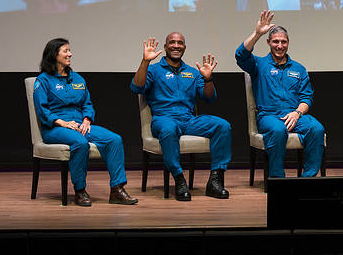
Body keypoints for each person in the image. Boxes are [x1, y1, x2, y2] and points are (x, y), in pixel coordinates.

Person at [33, 38, 138, 207]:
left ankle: (117, 189)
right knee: (80, 143)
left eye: (69, 50)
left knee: (114, 139)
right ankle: (80, 190)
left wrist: (87, 119)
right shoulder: (43, 80)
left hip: (79, 125)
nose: (70, 54)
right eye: (65, 51)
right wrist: (62, 122)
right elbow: (42, 110)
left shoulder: (78, 79)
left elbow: (87, 104)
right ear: (54, 54)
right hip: (55, 127)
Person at [131, 32, 232, 201]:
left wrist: (208, 79)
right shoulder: (154, 70)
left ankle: (215, 181)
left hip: (188, 120)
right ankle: (179, 179)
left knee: (222, 125)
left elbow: (209, 97)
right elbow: (136, 88)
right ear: (165, 47)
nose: (176, 45)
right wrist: (146, 61)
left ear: (184, 47)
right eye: (172, 42)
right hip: (164, 119)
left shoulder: (192, 72)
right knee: (169, 129)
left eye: (180, 43)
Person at [235, 11, 325, 179]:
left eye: (283, 42)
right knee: (278, 130)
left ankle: (309, 178)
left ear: (288, 43)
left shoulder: (298, 68)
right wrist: (257, 34)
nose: (279, 45)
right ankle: (277, 180)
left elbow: (307, 98)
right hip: (269, 116)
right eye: (275, 41)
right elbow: (240, 55)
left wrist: (297, 113)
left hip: (294, 115)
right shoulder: (259, 64)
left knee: (316, 128)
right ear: (268, 42)